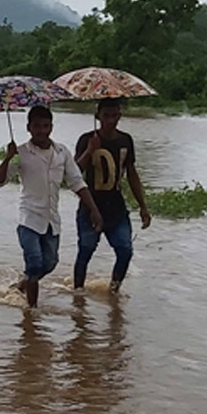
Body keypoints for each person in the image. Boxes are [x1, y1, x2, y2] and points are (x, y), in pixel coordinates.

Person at [0, 105, 104, 308]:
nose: (41, 131)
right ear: (29, 127)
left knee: (50, 263)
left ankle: (23, 284)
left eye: (45, 126)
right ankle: (31, 313)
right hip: (28, 218)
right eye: (37, 126)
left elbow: (77, 182)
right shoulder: (22, 152)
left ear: (51, 127)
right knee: (35, 263)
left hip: (51, 220)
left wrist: (94, 209)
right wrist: (8, 158)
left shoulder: (62, 152)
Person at [73, 97, 152, 293]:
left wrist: (143, 206)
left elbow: (131, 173)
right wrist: (90, 151)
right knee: (86, 250)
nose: (110, 120)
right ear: (98, 116)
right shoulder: (87, 139)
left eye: (115, 115)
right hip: (90, 206)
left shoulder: (125, 140)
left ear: (120, 116)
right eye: (106, 116)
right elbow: (74, 172)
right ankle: (78, 294)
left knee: (125, 249)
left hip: (116, 206)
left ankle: (114, 290)